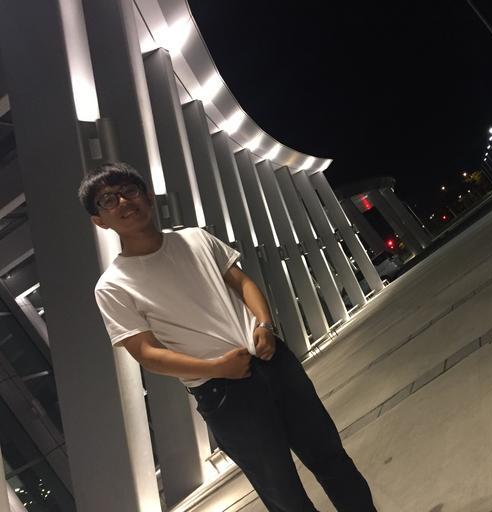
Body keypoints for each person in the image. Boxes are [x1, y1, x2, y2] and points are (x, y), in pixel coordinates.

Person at [78, 162, 376, 512]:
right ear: (99, 220)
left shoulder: (196, 238)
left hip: (273, 361)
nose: (124, 202)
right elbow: (146, 352)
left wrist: (265, 325)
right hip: (223, 393)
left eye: (129, 191)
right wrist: (217, 368)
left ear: (148, 196)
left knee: (331, 459)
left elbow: (243, 282)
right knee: (285, 496)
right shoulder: (113, 286)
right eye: (108, 200)